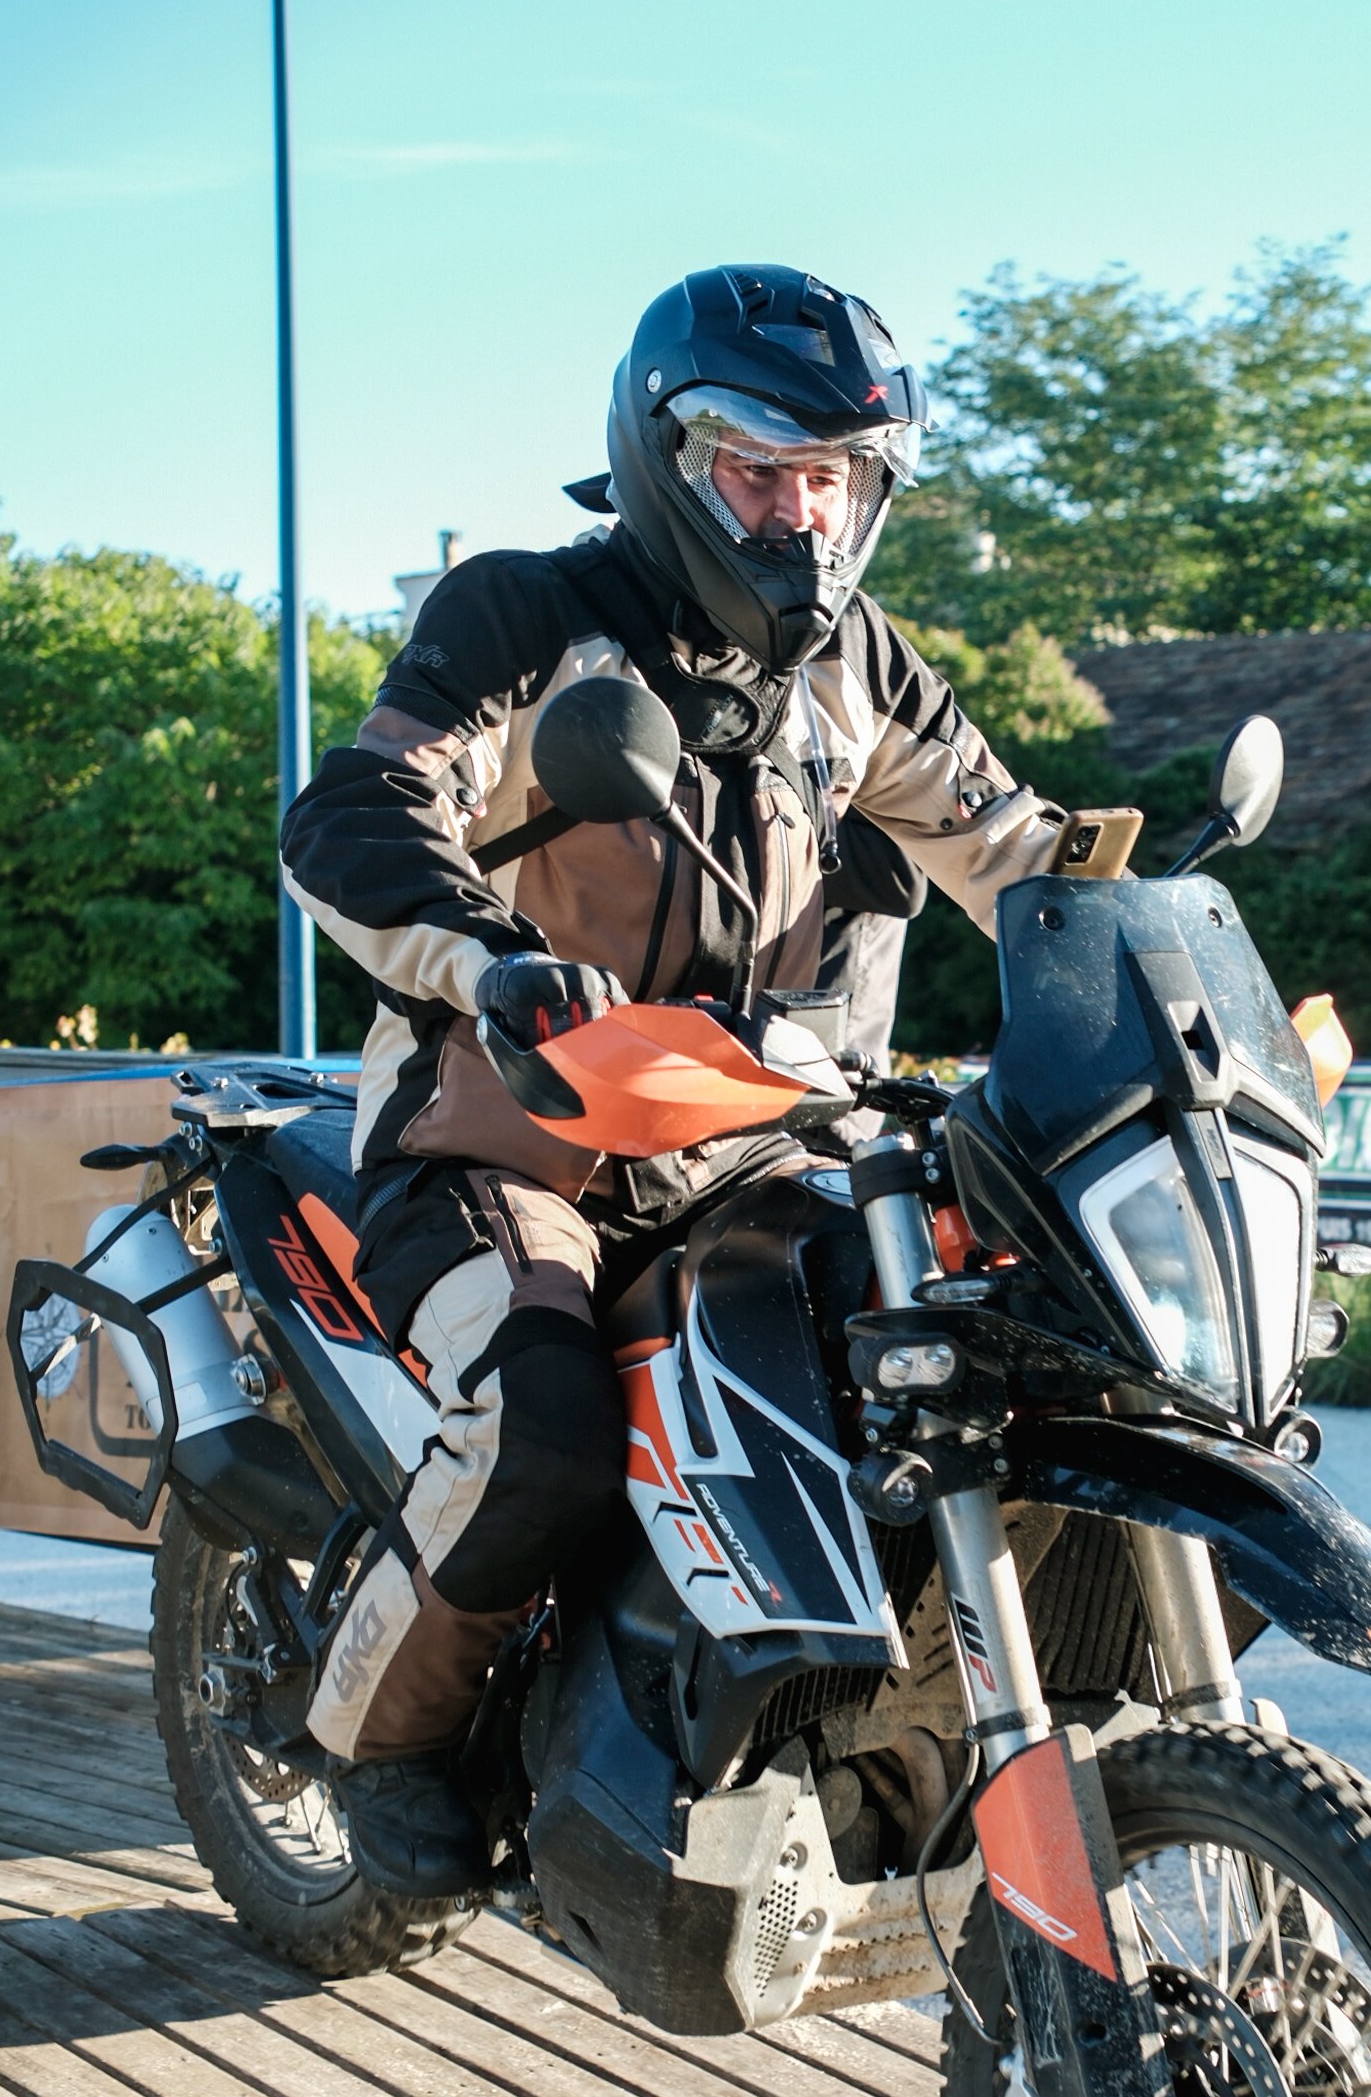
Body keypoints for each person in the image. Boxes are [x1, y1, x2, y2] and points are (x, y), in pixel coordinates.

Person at [279, 264, 1067, 1898]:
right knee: (545, 1419)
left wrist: (1145, 938)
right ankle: (387, 1741)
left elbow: (1018, 854)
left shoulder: (861, 669)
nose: (797, 518)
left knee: (962, 1355)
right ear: (666, 458)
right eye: (757, 472)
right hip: (507, 1137)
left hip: (750, 1143)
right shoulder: (524, 616)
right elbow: (354, 815)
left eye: (830, 480)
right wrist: (487, 958)